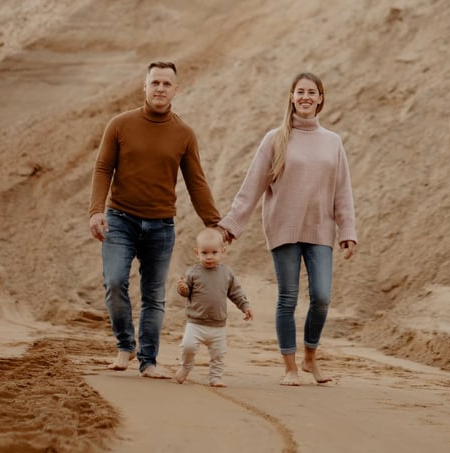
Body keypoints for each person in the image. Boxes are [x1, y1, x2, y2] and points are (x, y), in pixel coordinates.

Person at [217, 71, 357, 386]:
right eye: (300, 92)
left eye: (312, 92)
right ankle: (290, 368)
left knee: (321, 297)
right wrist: (230, 226)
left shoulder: (332, 141)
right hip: (284, 227)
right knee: (288, 298)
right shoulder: (275, 138)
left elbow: (342, 190)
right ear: (292, 97)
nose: (306, 97)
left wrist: (347, 231)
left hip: (320, 228)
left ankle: (310, 357)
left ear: (320, 99)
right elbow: (252, 186)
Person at [88, 60, 222, 379]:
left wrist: (213, 223)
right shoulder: (120, 124)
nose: (160, 88)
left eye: (166, 84)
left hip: (161, 225)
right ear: (144, 87)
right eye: (155, 83)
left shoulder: (184, 134)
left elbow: (196, 182)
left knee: (153, 296)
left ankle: (148, 361)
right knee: (115, 282)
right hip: (119, 219)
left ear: (176, 90)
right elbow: (103, 168)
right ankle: (125, 345)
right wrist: (96, 210)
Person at [174, 227, 254, 387]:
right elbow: (186, 291)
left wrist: (245, 306)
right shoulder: (193, 272)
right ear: (197, 253)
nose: (209, 256)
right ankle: (186, 366)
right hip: (195, 323)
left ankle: (216, 377)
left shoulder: (226, 273)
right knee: (188, 346)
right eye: (204, 253)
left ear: (222, 252)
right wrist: (182, 288)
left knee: (218, 354)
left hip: (218, 325)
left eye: (214, 252)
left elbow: (235, 293)